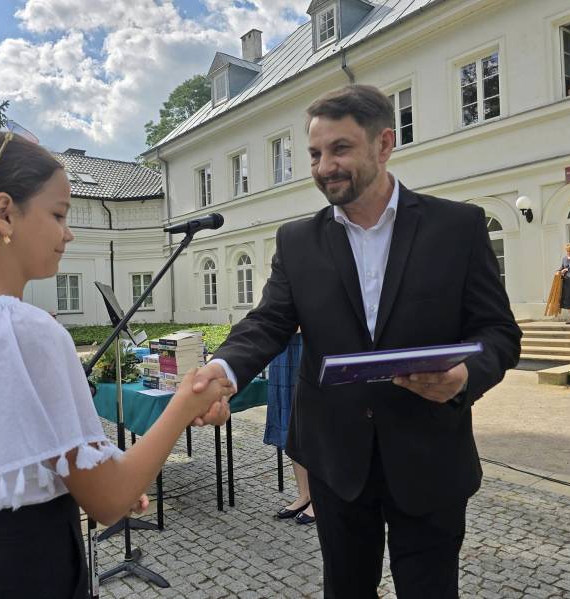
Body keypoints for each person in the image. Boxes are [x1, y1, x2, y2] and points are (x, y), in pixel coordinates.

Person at [191, 85, 521, 598]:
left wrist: (464, 378)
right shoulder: (297, 240)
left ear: (384, 143)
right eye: (315, 154)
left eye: (340, 149)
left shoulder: (457, 226)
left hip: (429, 455)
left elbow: (499, 333)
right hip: (334, 456)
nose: (324, 167)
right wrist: (224, 370)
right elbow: (269, 322)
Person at [0, 130, 232, 599]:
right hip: (24, 573)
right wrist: (185, 403)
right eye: (58, 214)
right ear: (4, 213)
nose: (68, 233)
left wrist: (95, 482)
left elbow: (14, 461)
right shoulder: (27, 330)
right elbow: (110, 501)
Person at [264, 331, 315, 524]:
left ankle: (319, 499)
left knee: (312, 420)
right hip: (283, 345)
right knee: (289, 421)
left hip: (311, 343)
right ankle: (304, 494)